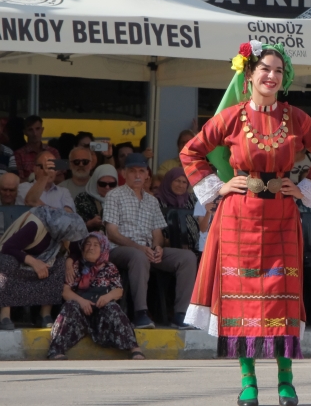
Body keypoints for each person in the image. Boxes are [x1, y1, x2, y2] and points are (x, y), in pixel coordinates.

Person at [181, 41, 311, 406]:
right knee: (242, 301)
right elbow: (192, 150)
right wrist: (219, 186)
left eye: (279, 71)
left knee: (283, 297)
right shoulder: (232, 117)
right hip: (238, 217)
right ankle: (248, 381)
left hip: (282, 215)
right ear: (249, 74)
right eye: (265, 69)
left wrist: (302, 190)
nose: (272, 76)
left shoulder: (296, 117)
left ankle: (286, 380)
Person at [103, 153, 198, 330]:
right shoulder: (114, 196)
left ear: (147, 174)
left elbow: (157, 233)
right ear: (124, 173)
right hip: (120, 250)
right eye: (132, 171)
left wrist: (157, 247)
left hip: (147, 251)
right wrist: (139, 247)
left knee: (187, 258)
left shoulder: (152, 201)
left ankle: (181, 315)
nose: (137, 175)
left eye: (141, 171)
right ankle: (141, 313)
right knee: (138, 256)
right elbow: (112, 233)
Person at [48, 232, 144, 360]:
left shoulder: (109, 267)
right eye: (87, 244)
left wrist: (107, 297)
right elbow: (65, 291)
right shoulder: (76, 266)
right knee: (70, 306)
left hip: (101, 312)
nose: (91, 247)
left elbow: (118, 290)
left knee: (113, 308)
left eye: (95, 245)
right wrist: (81, 302)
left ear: (103, 248)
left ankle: (134, 348)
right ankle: (56, 350)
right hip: (81, 312)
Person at [0, 207, 88, 330]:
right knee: (7, 262)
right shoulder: (36, 226)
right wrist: (34, 263)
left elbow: (75, 251)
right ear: (63, 230)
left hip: (44, 262)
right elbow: (8, 248)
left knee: (59, 263)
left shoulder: (64, 231)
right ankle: (4, 315)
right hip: (19, 258)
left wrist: (70, 261)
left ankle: (44, 314)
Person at [154, 167, 199, 250]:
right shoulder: (156, 201)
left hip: (196, 248)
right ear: (169, 181)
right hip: (167, 248)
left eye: (184, 182)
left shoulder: (192, 199)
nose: (180, 185)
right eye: (177, 181)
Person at [14, 115, 59, 181]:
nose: (35, 133)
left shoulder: (54, 152)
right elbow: (18, 181)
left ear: (42, 130)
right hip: (28, 191)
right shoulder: (18, 154)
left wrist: (34, 178)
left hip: (52, 190)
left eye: (37, 129)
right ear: (25, 132)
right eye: (30, 130)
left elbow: (61, 178)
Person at [74, 164, 118, 233]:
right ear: (95, 182)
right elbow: (74, 228)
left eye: (112, 184)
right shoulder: (82, 199)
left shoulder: (121, 200)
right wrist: (90, 224)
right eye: (102, 184)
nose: (107, 187)